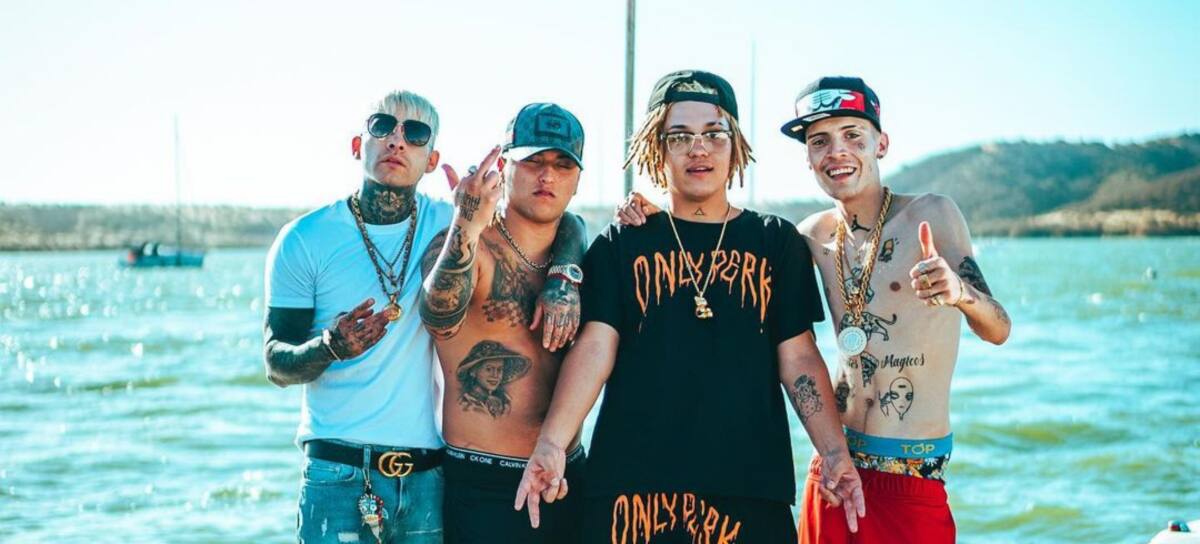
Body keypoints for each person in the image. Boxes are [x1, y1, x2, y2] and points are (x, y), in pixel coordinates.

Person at [514, 70, 866, 544]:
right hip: (631, 498)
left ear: (735, 145)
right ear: (657, 149)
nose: (698, 149)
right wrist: (552, 443)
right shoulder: (622, 243)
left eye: (714, 134)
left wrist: (834, 452)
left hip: (749, 493)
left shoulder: (775, 242)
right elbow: (596, 348)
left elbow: (799, 357)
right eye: (679, 136)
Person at [263, 90, 583, 543]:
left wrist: (564, 274)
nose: (396, 141)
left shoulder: (451, 222)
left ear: (432, 160)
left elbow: (560, 220)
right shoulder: (304, 239)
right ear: (357, 145)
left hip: (424, 475)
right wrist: (329, 347)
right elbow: (276, 364)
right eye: (382, 127)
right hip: (337, 468)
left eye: (414, 133)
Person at [782, 76, 1011, 544]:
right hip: (834, 470)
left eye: (852, 135)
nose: (836, 152)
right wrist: (650, 216)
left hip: (911, 472)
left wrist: (959, 292)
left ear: (881, 144)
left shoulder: (932, 214)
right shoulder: (810, 236)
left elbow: (999, 329)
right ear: (808, 157)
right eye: (819, 141)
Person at [419, 102, 589, 544]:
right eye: (532, 161)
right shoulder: (468, 247)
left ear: (577, 180)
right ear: (503, 168)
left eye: (562, 165)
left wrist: (566, 272)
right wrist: (465, 223)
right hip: (486, 486)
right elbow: (437, 317)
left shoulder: (581, 261)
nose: (547, 176)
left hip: (567, 476)